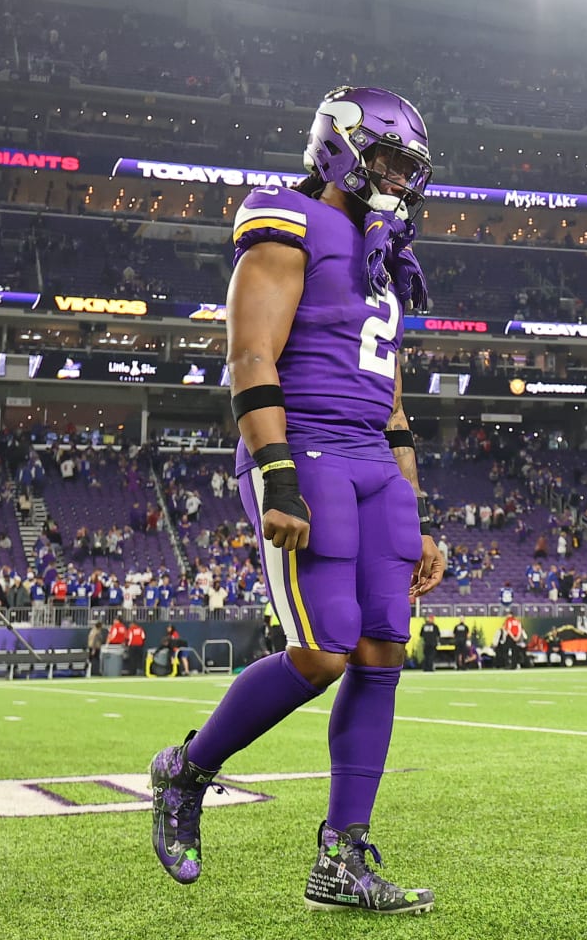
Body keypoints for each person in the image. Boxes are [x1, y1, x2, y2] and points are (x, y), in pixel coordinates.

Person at [149, 85, 444, 914]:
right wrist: (276, 474)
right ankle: (188, 768)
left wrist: (413, 511)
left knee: (383, 651)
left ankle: (341, 858)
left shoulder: (386, 247)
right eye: (384, 158)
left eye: (404, 165)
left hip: (371, 461)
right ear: (338, 146)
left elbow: (391, 403)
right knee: (324, 651)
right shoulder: (285, 217)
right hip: (305, 448)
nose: (394, 176)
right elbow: (250, 355)